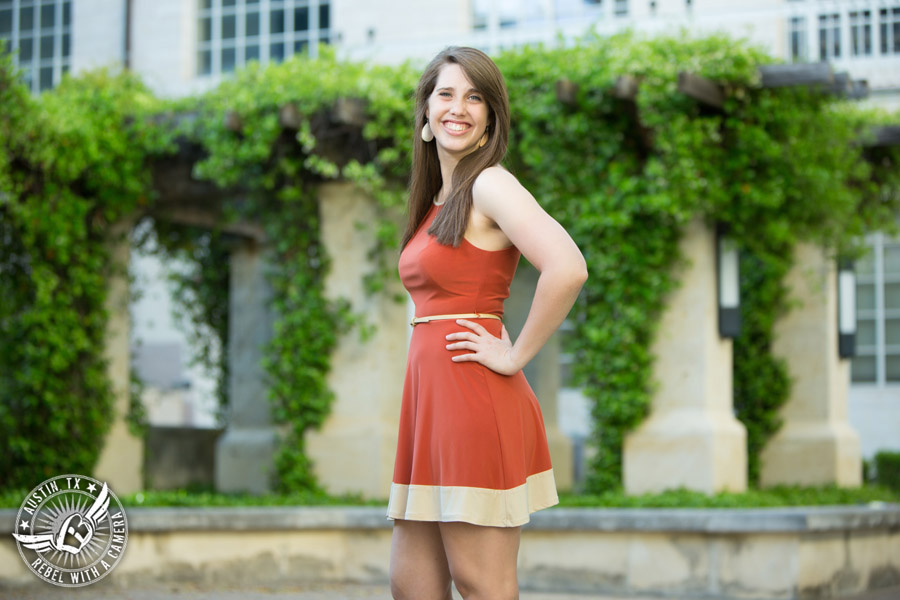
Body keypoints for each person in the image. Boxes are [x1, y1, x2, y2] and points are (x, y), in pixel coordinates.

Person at [387, 46, 588, 600]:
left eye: (475, 97)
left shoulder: (489, 184)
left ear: (490, 118)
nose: (459, 107)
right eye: (446, 94)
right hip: (430, 404)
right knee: (414, 584)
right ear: (426, 113)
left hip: (473, 397)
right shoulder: (436, 201)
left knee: (482, 584)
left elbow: (568, 268)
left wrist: (514, 353)